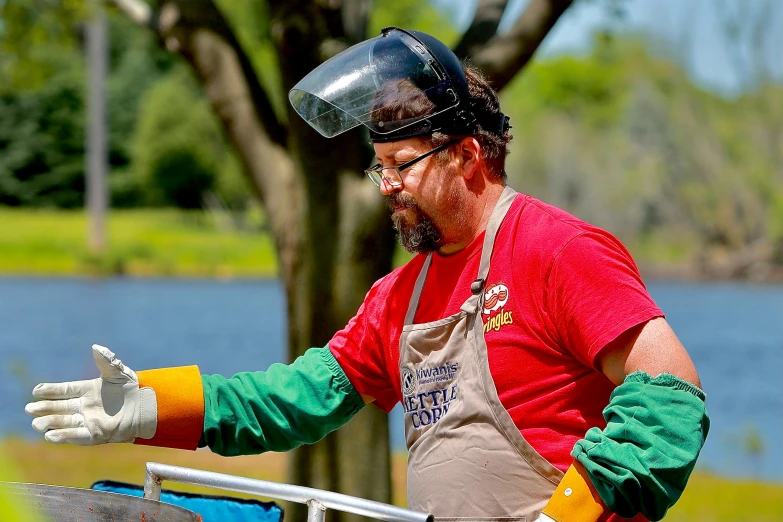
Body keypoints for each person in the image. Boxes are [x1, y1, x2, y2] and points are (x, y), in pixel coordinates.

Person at [25, 28, 709, 522]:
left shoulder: (557, 250)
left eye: (401, 164)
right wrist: (152, 407)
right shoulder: (398, 297)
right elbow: (294, 398)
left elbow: (670, 392)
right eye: (377, 166)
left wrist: (566, 516)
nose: (384, 186)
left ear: (467, 155)